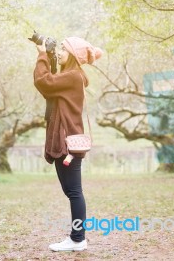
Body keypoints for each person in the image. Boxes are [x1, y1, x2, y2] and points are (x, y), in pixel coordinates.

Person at [33, 36, 102, 251]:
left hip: (67, 142)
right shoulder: (69, 76)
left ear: (73, 55)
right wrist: (49, 58)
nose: (60, 52)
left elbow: (43, 82)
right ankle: (77, 238)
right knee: (70, 190)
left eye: (63, 49)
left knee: (74, 191)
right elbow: (49, 88)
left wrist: (42, 55)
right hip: (63, 140)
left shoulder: (73, 76)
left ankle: (78, 238)